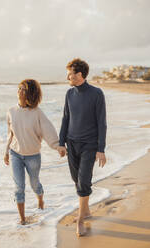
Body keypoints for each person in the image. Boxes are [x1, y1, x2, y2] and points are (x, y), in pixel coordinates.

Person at [59, 58, 107, 236]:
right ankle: (86, 210)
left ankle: (80, 218)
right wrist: (61, 142)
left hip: (89, 143)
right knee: (76, 179)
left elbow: (101, 123)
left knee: (84, 179)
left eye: (69, 74)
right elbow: (65, 118)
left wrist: (101, 148)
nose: (67, 78)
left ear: (79, 74)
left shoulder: (96, 94)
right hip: (71, 143)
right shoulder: (69, 94)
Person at [4, 79, 60, 225]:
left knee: (34, 183)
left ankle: (40, 200)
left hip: (33, 156)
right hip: (15, 153)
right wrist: (5, 151)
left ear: (30, 93)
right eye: (19, 87)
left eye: (23, 89)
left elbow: (48, 130)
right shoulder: (11, 111)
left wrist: (57, 146)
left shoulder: (37, 113)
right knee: (19, 188)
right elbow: (10, 134)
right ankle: (22, 219)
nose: (19, 91)